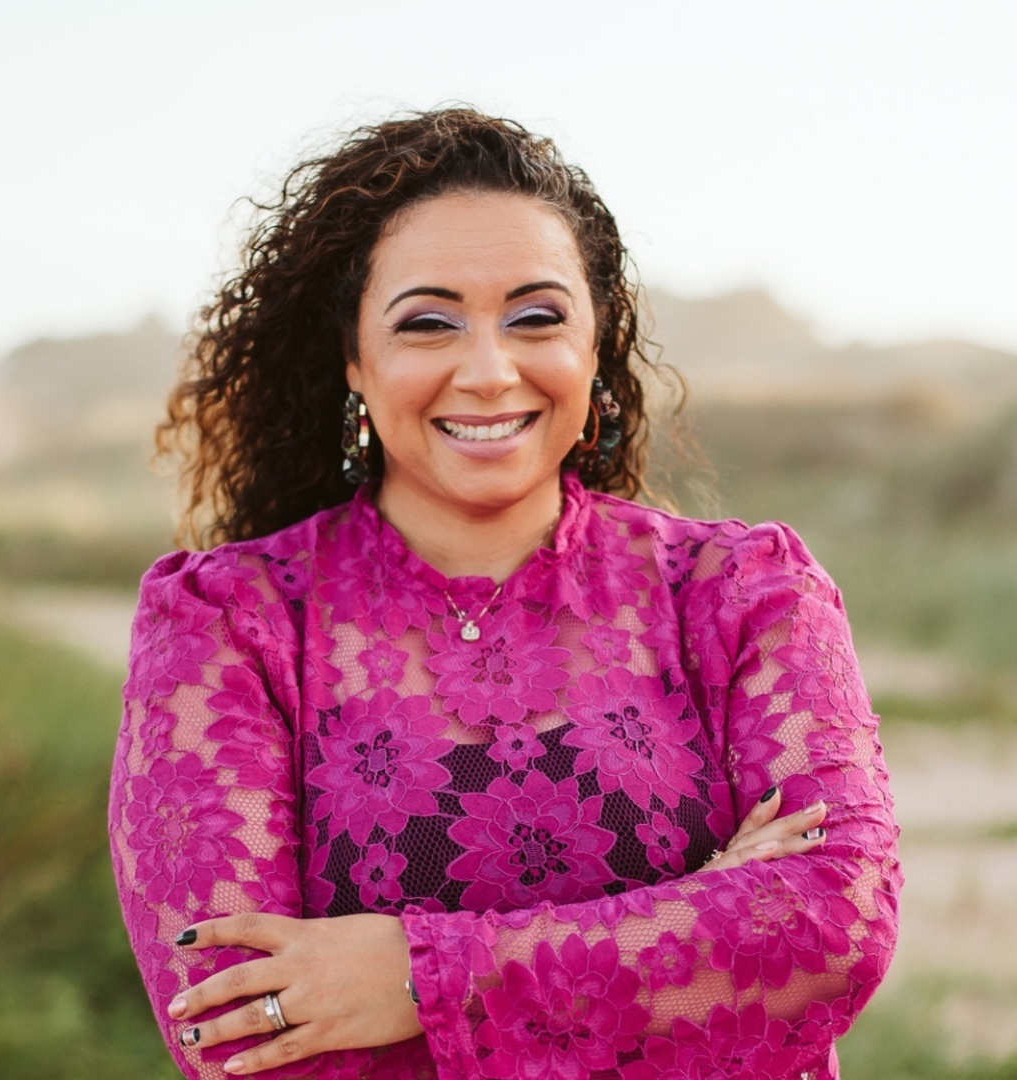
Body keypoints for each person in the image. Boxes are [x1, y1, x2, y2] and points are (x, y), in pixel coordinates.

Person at [109, 107, 901, 1080]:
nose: (489, 372)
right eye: (427, 322)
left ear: (595, 347)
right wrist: (692, 927)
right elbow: (236, 1031)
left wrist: (413, 976)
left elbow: (831, 925)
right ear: (354, 361)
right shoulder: (229, 619)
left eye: (536, 317)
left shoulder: (744, 592)